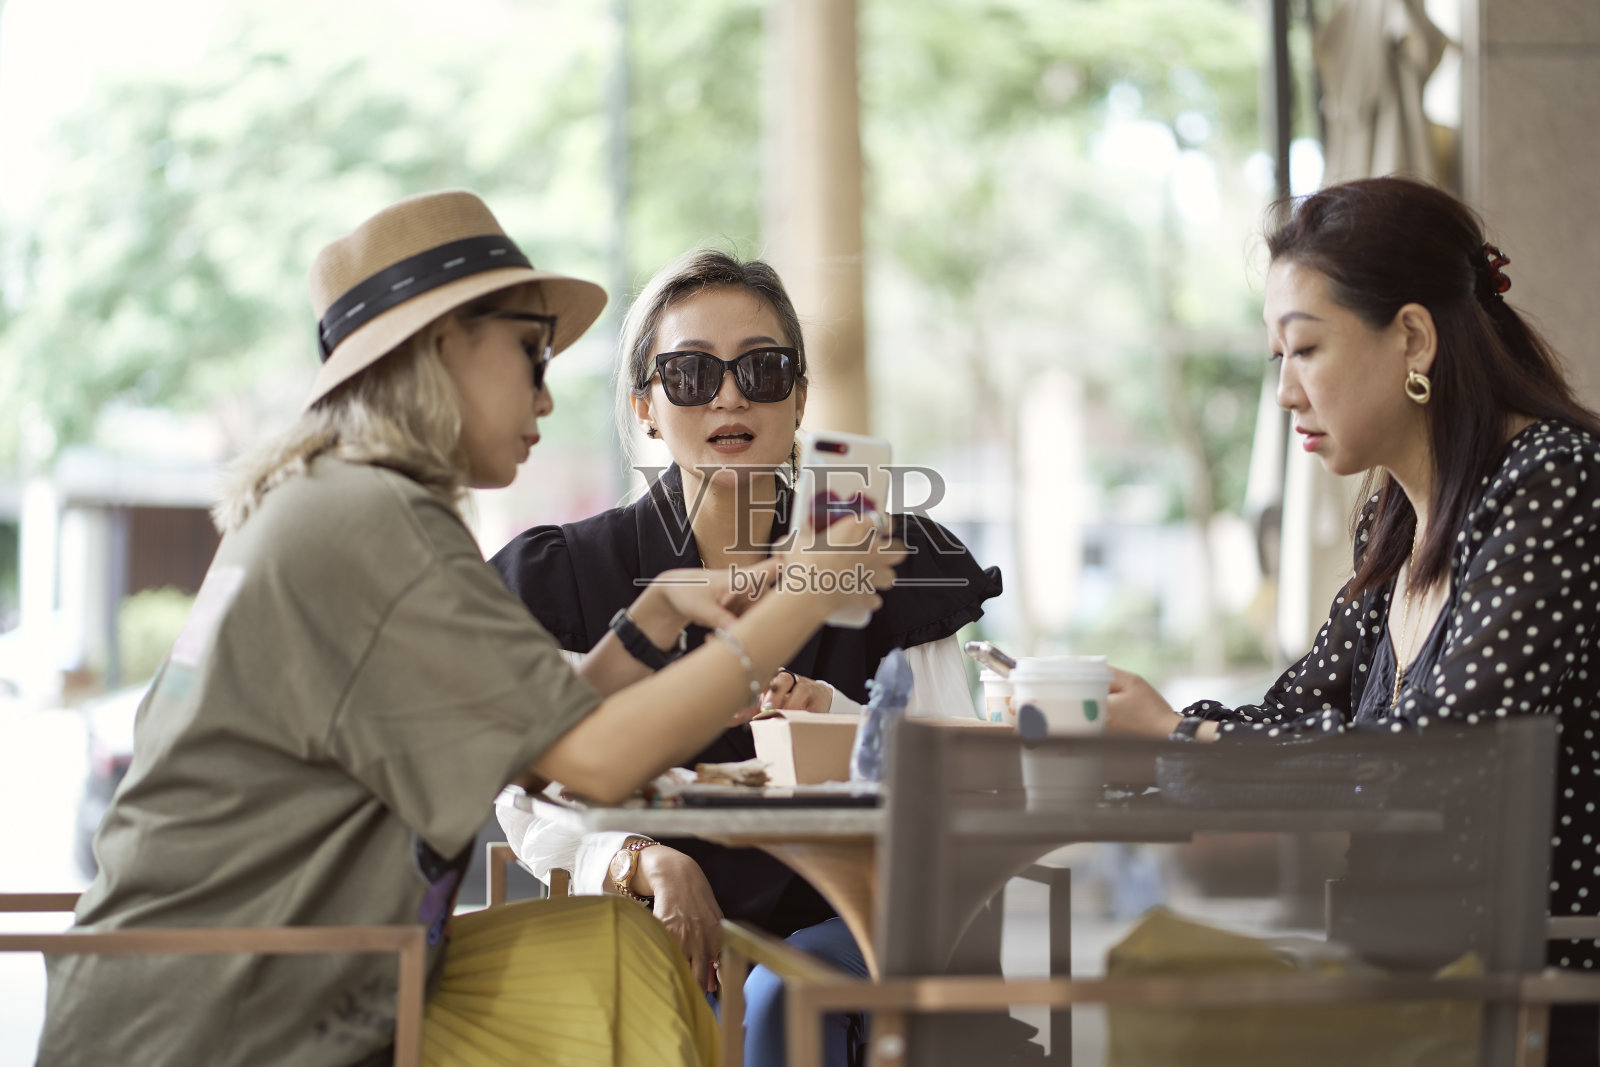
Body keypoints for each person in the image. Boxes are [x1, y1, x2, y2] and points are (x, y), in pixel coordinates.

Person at [36, 190, 901, 1067]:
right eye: (532, 352)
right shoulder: (379, 527)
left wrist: (653, 615)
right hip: (227, 1014)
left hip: (258, 977)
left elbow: (527, 738)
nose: (547, 394)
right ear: (445, 344)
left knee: (619, 952)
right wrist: (804, 593)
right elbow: (594, 760)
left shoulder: (342, 503)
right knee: (627, 969)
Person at [1105, 176, 1600, 1064]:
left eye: (1305, 350)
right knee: (1143, 970)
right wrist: (1134, 725)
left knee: (1158, 1001)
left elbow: (1438, 758)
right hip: (1421, 981)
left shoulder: (1555, 484)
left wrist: (1180, 736)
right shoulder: (1397, 521)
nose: (1287, 393)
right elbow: (1295, 718)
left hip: (1538, 996)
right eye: (1277, 361)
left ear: (1411, 336)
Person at [490, 248, 1003, 1066]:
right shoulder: (568, 576)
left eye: (763, 369)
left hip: (862, 918)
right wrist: (636, 857)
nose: (730, 395)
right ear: (646, 406)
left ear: (800, 397)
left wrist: (836, 717)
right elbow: (527, 798)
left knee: (785, 993)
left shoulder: (896, 559)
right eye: (691, 374)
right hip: (648, 919)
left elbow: (963, 769)